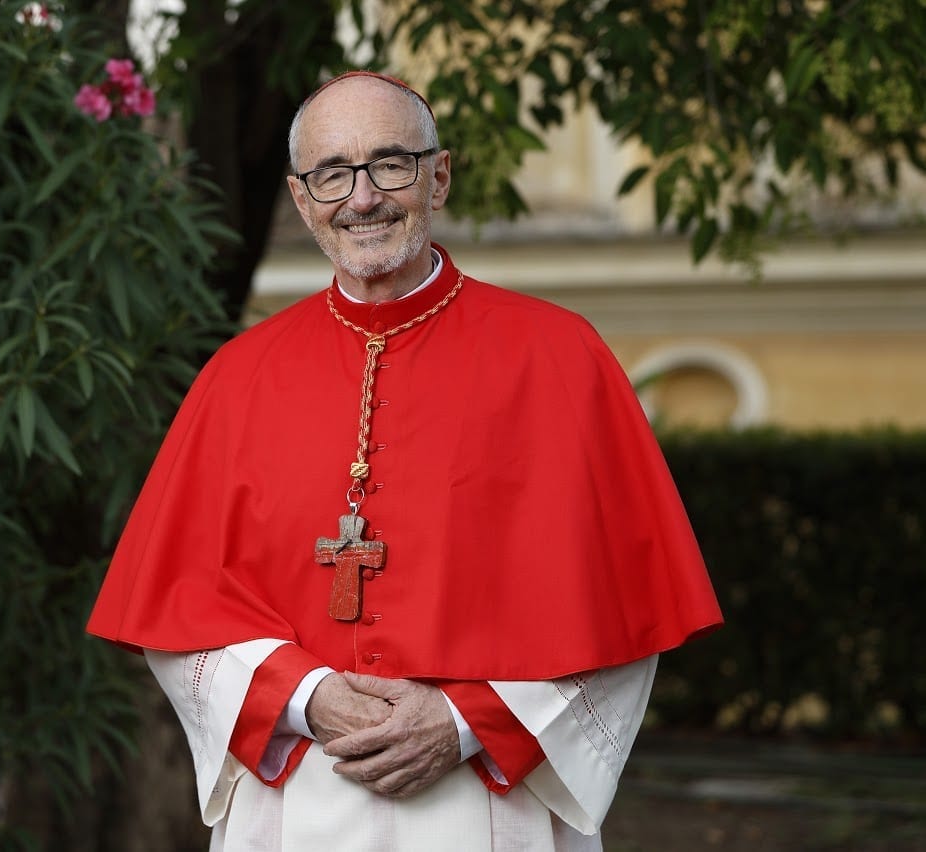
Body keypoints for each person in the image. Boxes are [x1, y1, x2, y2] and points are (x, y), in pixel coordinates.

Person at [86, 70, 723, 851]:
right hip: (293, 807)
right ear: (299, 195)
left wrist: (463, 722)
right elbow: (178, 618)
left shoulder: (559, 357)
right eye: (332, 173)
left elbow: (625, 618)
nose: (362, 198)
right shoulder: (238, 376)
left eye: (392, 164)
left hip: (489, 804)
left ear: (439, 175)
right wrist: (307, 697)